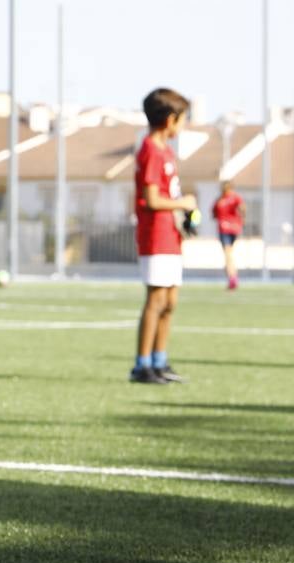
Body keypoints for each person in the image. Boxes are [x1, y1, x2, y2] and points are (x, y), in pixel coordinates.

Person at [130, 87, 197, 385]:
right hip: (155, 236)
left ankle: (160, 360)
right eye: (182, 119)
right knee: (156, 300)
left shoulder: (166, 151)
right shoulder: (150, 151)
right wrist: (183, 204)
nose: (183, 125)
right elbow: (152, 199)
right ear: (170, 120)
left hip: (171, 235)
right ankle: (141, 365)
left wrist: (185, 218)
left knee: (170, 301)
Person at [212, 181, 246, 290]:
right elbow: (243, 208)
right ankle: (232, 276)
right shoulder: (231, 198)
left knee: (228, 254)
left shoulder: (222, 200)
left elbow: (214, 214)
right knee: (229, 254)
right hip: (232, 228)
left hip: (226, 229)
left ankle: (232, 277)